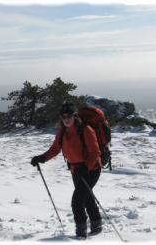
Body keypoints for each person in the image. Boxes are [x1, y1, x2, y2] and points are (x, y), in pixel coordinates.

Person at [30, 102, 102, 239]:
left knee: (77, 200)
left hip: (92, 169)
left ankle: (81, 232)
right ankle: (96, 224)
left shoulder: (85, 129)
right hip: (76, 169)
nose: (66, 119)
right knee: (85, 197)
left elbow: (95, 152)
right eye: (63, 117)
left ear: (75, 116)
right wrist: (42, 158)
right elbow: (55, 149)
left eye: (69, 116)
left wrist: (86, 168)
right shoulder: (62, 131)